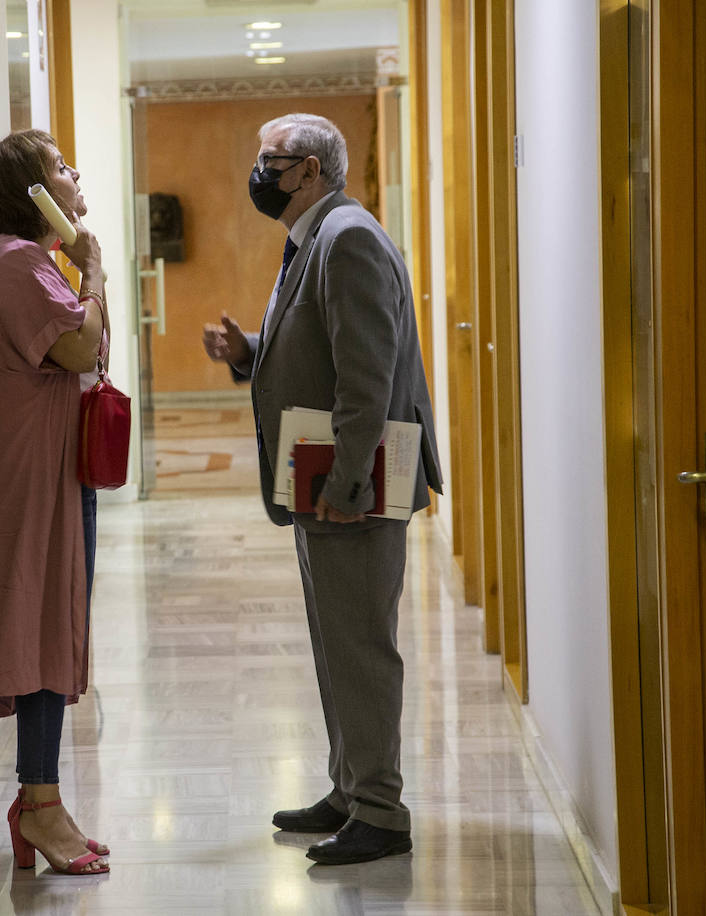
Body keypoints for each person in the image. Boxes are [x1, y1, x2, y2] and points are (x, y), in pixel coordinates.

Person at [202, 114, 443, 865]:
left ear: (307, 170)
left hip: (353, 485)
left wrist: (344, 481)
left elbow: (367, 377)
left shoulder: (349, 239)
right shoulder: (315, 239)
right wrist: (249, 354)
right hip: (323, 483)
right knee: (336, 646)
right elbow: (317, 350)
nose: (260, 174)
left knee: (361, 649)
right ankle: (350, 788)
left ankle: (381, 810)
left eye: (269, 161)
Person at [0, 129, 111, 876]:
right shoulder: (21, 264)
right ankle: (38, 803)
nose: (75, 175)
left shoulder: (23, 262)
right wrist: (95, 274)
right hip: (31, 484)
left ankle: (42, 800)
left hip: (43, 474)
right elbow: (83, 349)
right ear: (35, 194)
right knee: (43, 630)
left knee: (51, 627)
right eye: (60, 167)